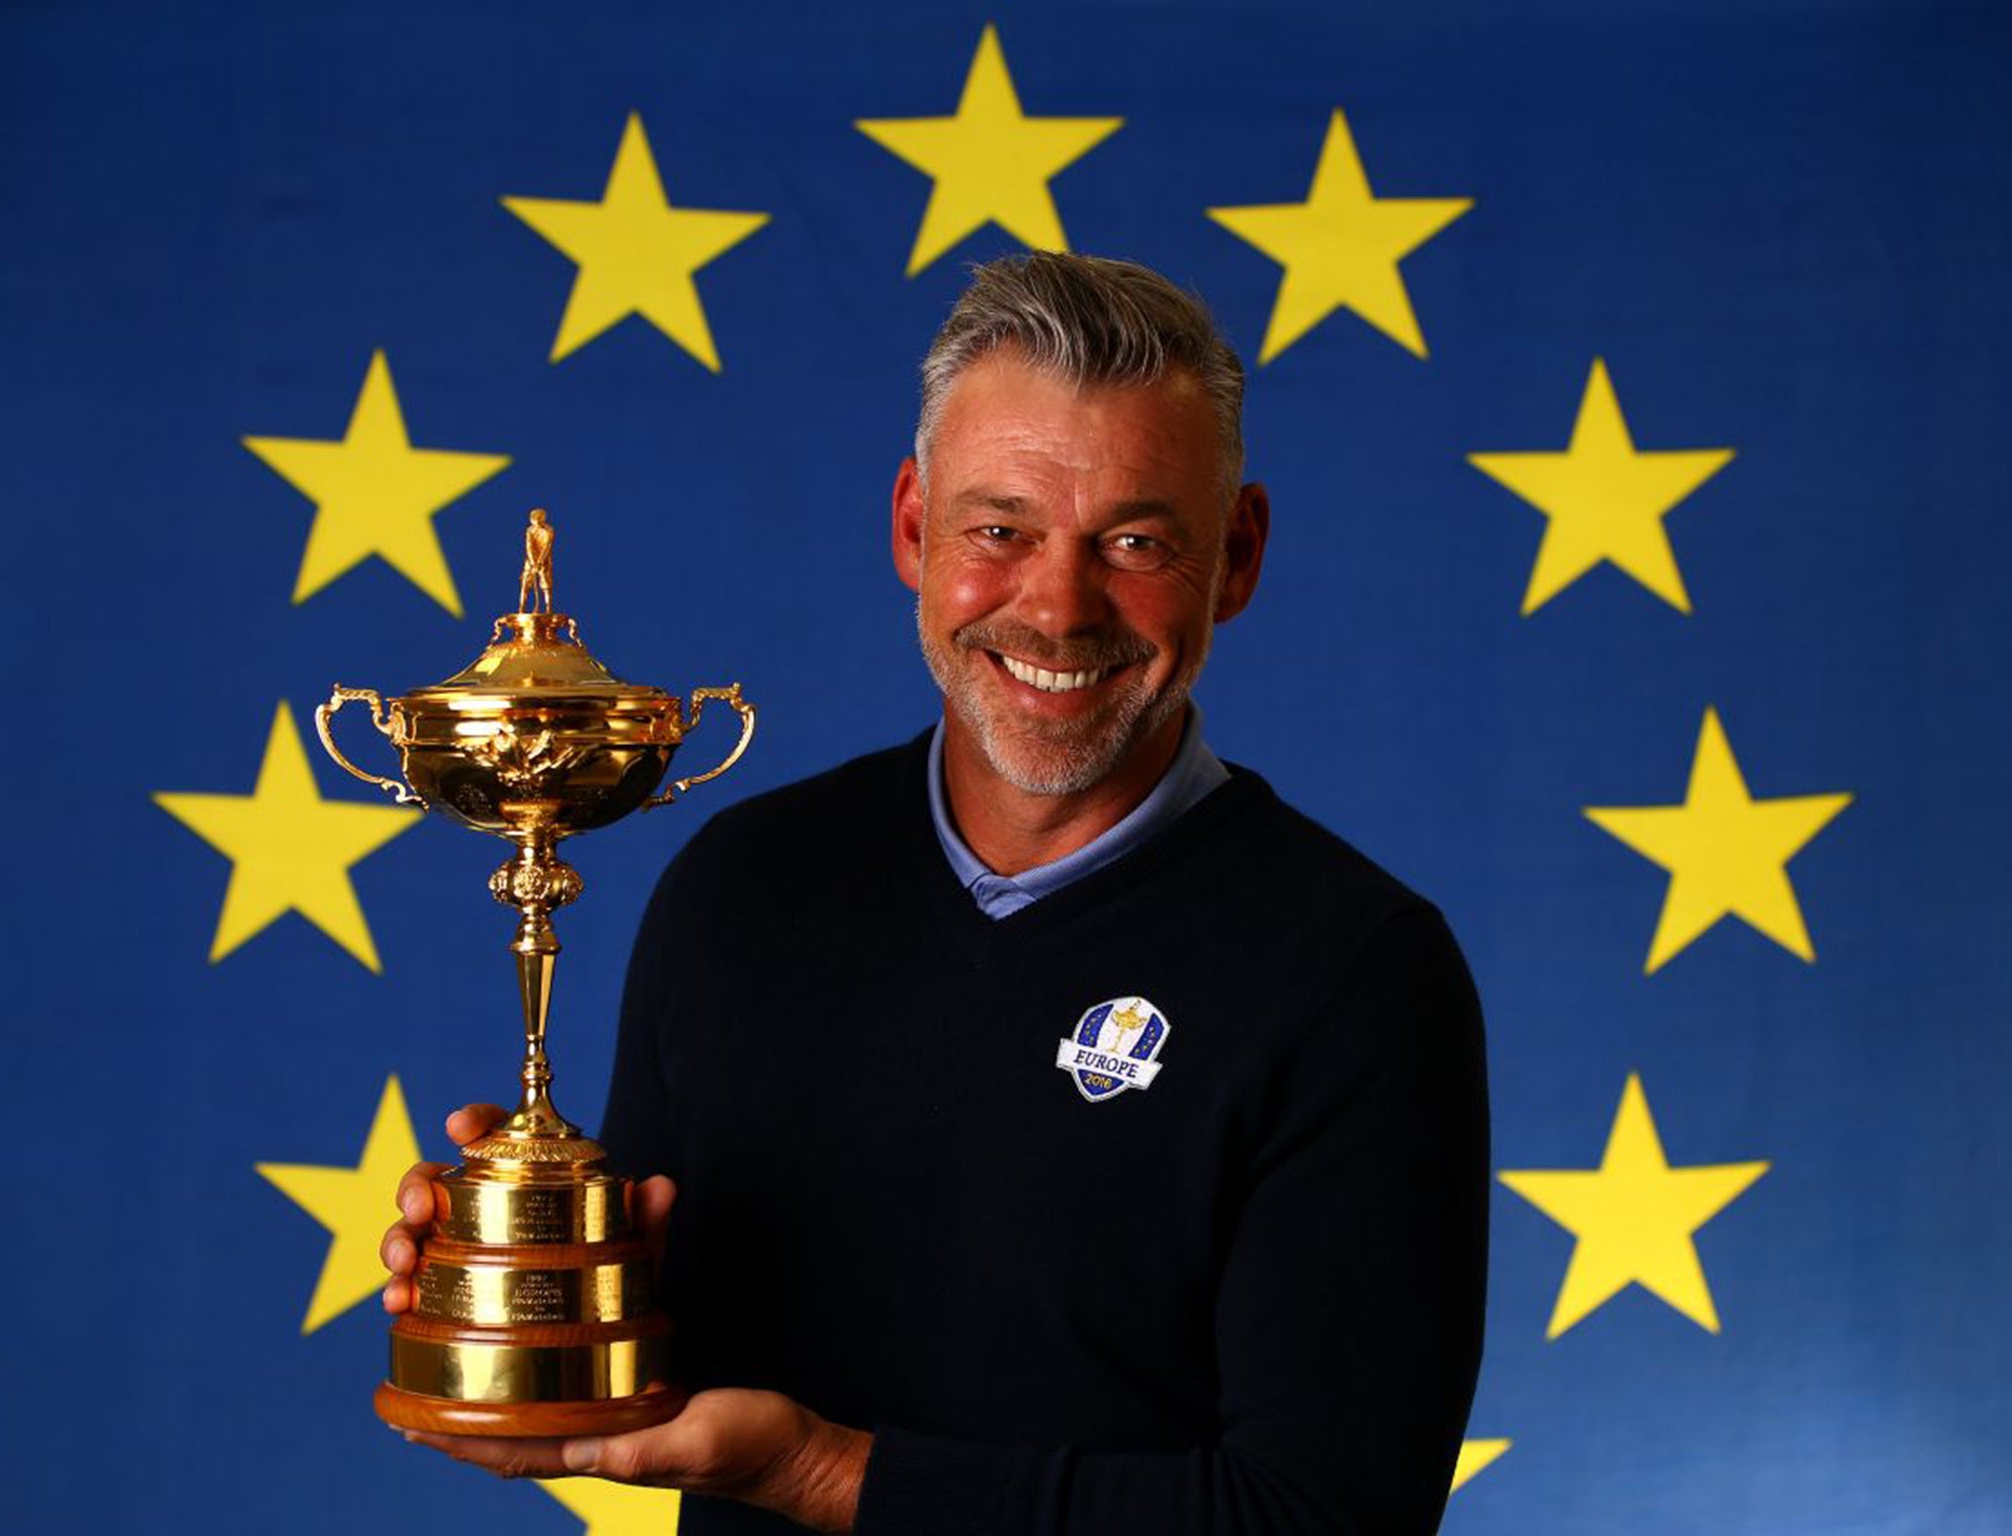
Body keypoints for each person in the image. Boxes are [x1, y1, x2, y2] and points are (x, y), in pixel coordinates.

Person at [381, 253, 1489, 1534]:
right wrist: (517, 1281)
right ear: (913, 528)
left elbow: (1322, 1519)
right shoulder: (739, 890)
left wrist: (817, 1474)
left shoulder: (1353, 968)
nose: (1057, 607)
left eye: (1133, 540)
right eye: (998, 529)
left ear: (1233, 558)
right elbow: (672, 1370)